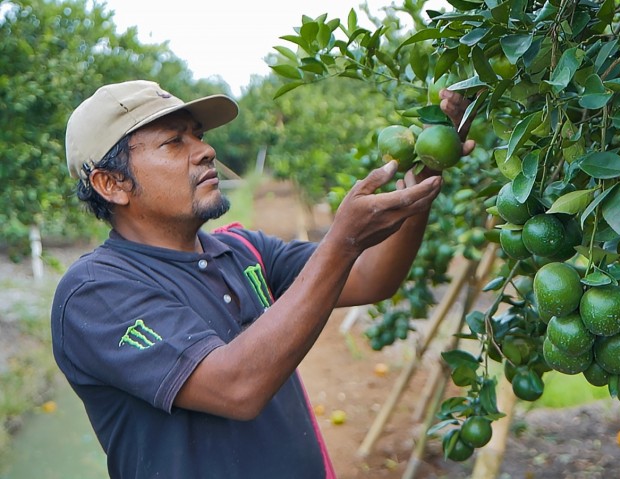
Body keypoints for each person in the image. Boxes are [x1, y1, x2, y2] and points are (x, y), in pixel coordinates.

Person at [51, 79, 475, 478]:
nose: (205, 150)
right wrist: (342, 241)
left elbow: (370, 278)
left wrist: (425, 171)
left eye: (198, 135)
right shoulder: (95, 292)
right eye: (174, 141)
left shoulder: (242, 250)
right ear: (112, 183)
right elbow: (236, 387)